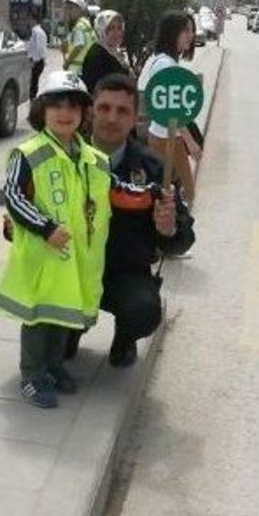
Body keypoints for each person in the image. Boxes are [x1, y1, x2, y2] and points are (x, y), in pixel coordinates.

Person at [0, 70, 160, 408]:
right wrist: (44, 227)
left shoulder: (92, 159)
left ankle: (54, 368)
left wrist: (153, 193)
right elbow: (13, 196)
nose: (65, 113)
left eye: (73, 106)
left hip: (74, 260)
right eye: (56, 105)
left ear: (83, 113)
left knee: (60, 318)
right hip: (43, 260)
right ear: (41, 109)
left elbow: (118, 190)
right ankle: (32, 376)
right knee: (39, 320)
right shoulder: (29, 153)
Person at [67, 73, 195, 367]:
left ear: (135, 117)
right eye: (104, 108)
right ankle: (69, 331)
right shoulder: (65, 160)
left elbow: (184, 239)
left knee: (144, 310)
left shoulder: (153, 170)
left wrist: (170, 227)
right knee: (57, 343)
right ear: (91, 111)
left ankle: (125, 338)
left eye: (122, 110)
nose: (112, 118)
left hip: (124, 275)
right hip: (72, 273)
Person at [137, 11, 203, 205]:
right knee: (186, 191)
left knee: (167, 190)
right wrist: (190, 143)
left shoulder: (161, 60)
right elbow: (172, 111)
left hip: (162, 135)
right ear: (173, 33)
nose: (191, 36)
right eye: (187, 31)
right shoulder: (166, 65)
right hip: (167, 137)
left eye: (192, 30)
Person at [81, 10, 127, 95]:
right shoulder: (97, 55)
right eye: (110, 28)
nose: (117, 33)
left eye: (119, 28)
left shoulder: (114, 52)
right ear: (101, 30)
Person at [62, 0, 97, 73]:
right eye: (68, 8)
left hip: (77, 70)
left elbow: (79, 46)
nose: (69, 11)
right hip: (86, 68)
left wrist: (67, 62)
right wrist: (66, 48)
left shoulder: (79, 26)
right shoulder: (87, 24)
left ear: (81, 10)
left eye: (72, 8)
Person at [27, 14, 48, 100]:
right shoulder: (41, 31)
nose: (28, 22)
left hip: (37, 60)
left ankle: (33, 98)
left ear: (34, 20)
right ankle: (33, 98)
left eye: (29, 19)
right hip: (40, 60)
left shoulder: (35, 31)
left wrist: (34, 61)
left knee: (33, 81)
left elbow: (39, 47)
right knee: (34, 81)